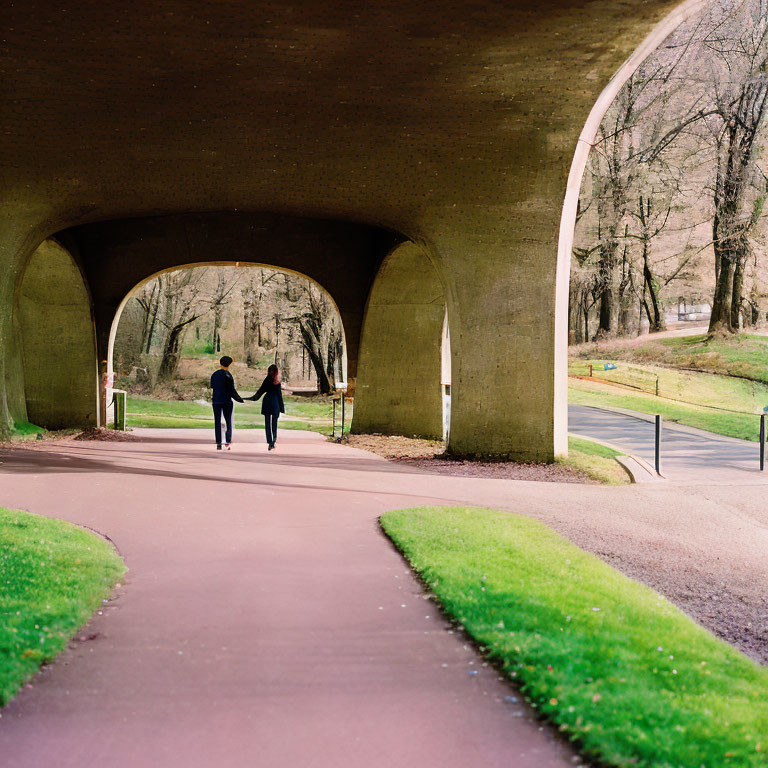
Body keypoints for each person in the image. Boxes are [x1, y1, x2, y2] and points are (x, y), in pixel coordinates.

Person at [209, 355, 245, 450]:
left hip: (216, 401)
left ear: (220, 363)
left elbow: (212, 387)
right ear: (229, 364)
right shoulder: (228, 375)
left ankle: (218, 441)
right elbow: (232, 391)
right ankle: (228, 440)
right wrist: (239, 399)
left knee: (217, 421)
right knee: (228, 420)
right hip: (226, 401)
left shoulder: (214, 374)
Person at [250, 364, 285, 450]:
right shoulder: (277, 382)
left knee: (267, 423)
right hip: (275, 402)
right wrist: (281, 408)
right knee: (274, 423)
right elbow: (279, 396)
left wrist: (253, 398)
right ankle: (273, 440)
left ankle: (269, 441)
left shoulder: (267, 380)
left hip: (267, 401)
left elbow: (260, 391)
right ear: (277, 372)